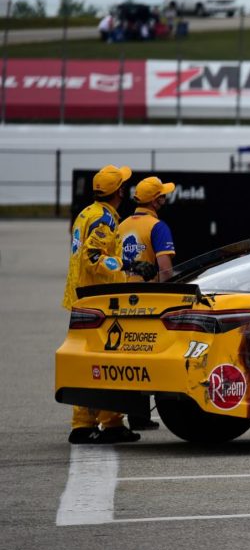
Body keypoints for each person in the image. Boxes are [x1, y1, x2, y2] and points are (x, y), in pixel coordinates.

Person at [63, 165, 143, 444]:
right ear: (119, 191)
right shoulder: (104, 220)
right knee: (110, 362)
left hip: (82, 298)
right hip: (100, 301)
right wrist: (128, 264)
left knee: (87, 363)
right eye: (123, 184)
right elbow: (93, 258)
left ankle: (83, 424)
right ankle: (110, 423)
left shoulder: (86, 213)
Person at [118, 176, 178, 430]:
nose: (165, 198)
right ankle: (141, 417)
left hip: (120, 297)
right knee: (148, 354)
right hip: (147, 299)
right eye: (163, 195)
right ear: (156, 200)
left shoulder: (121, 226)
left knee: (128, 355)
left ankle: (135, 414)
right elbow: (165, 270)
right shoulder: (157, 226)